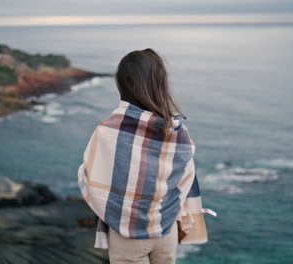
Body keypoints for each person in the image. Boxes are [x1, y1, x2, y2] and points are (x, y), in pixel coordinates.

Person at [78, 48, 216, 264]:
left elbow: (89, 178)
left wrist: (115, 210)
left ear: (122, 85)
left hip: (127, 235)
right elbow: (186, 179)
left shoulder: (108, 131)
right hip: (165, 230)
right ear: (160, 84)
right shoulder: (177, 131)